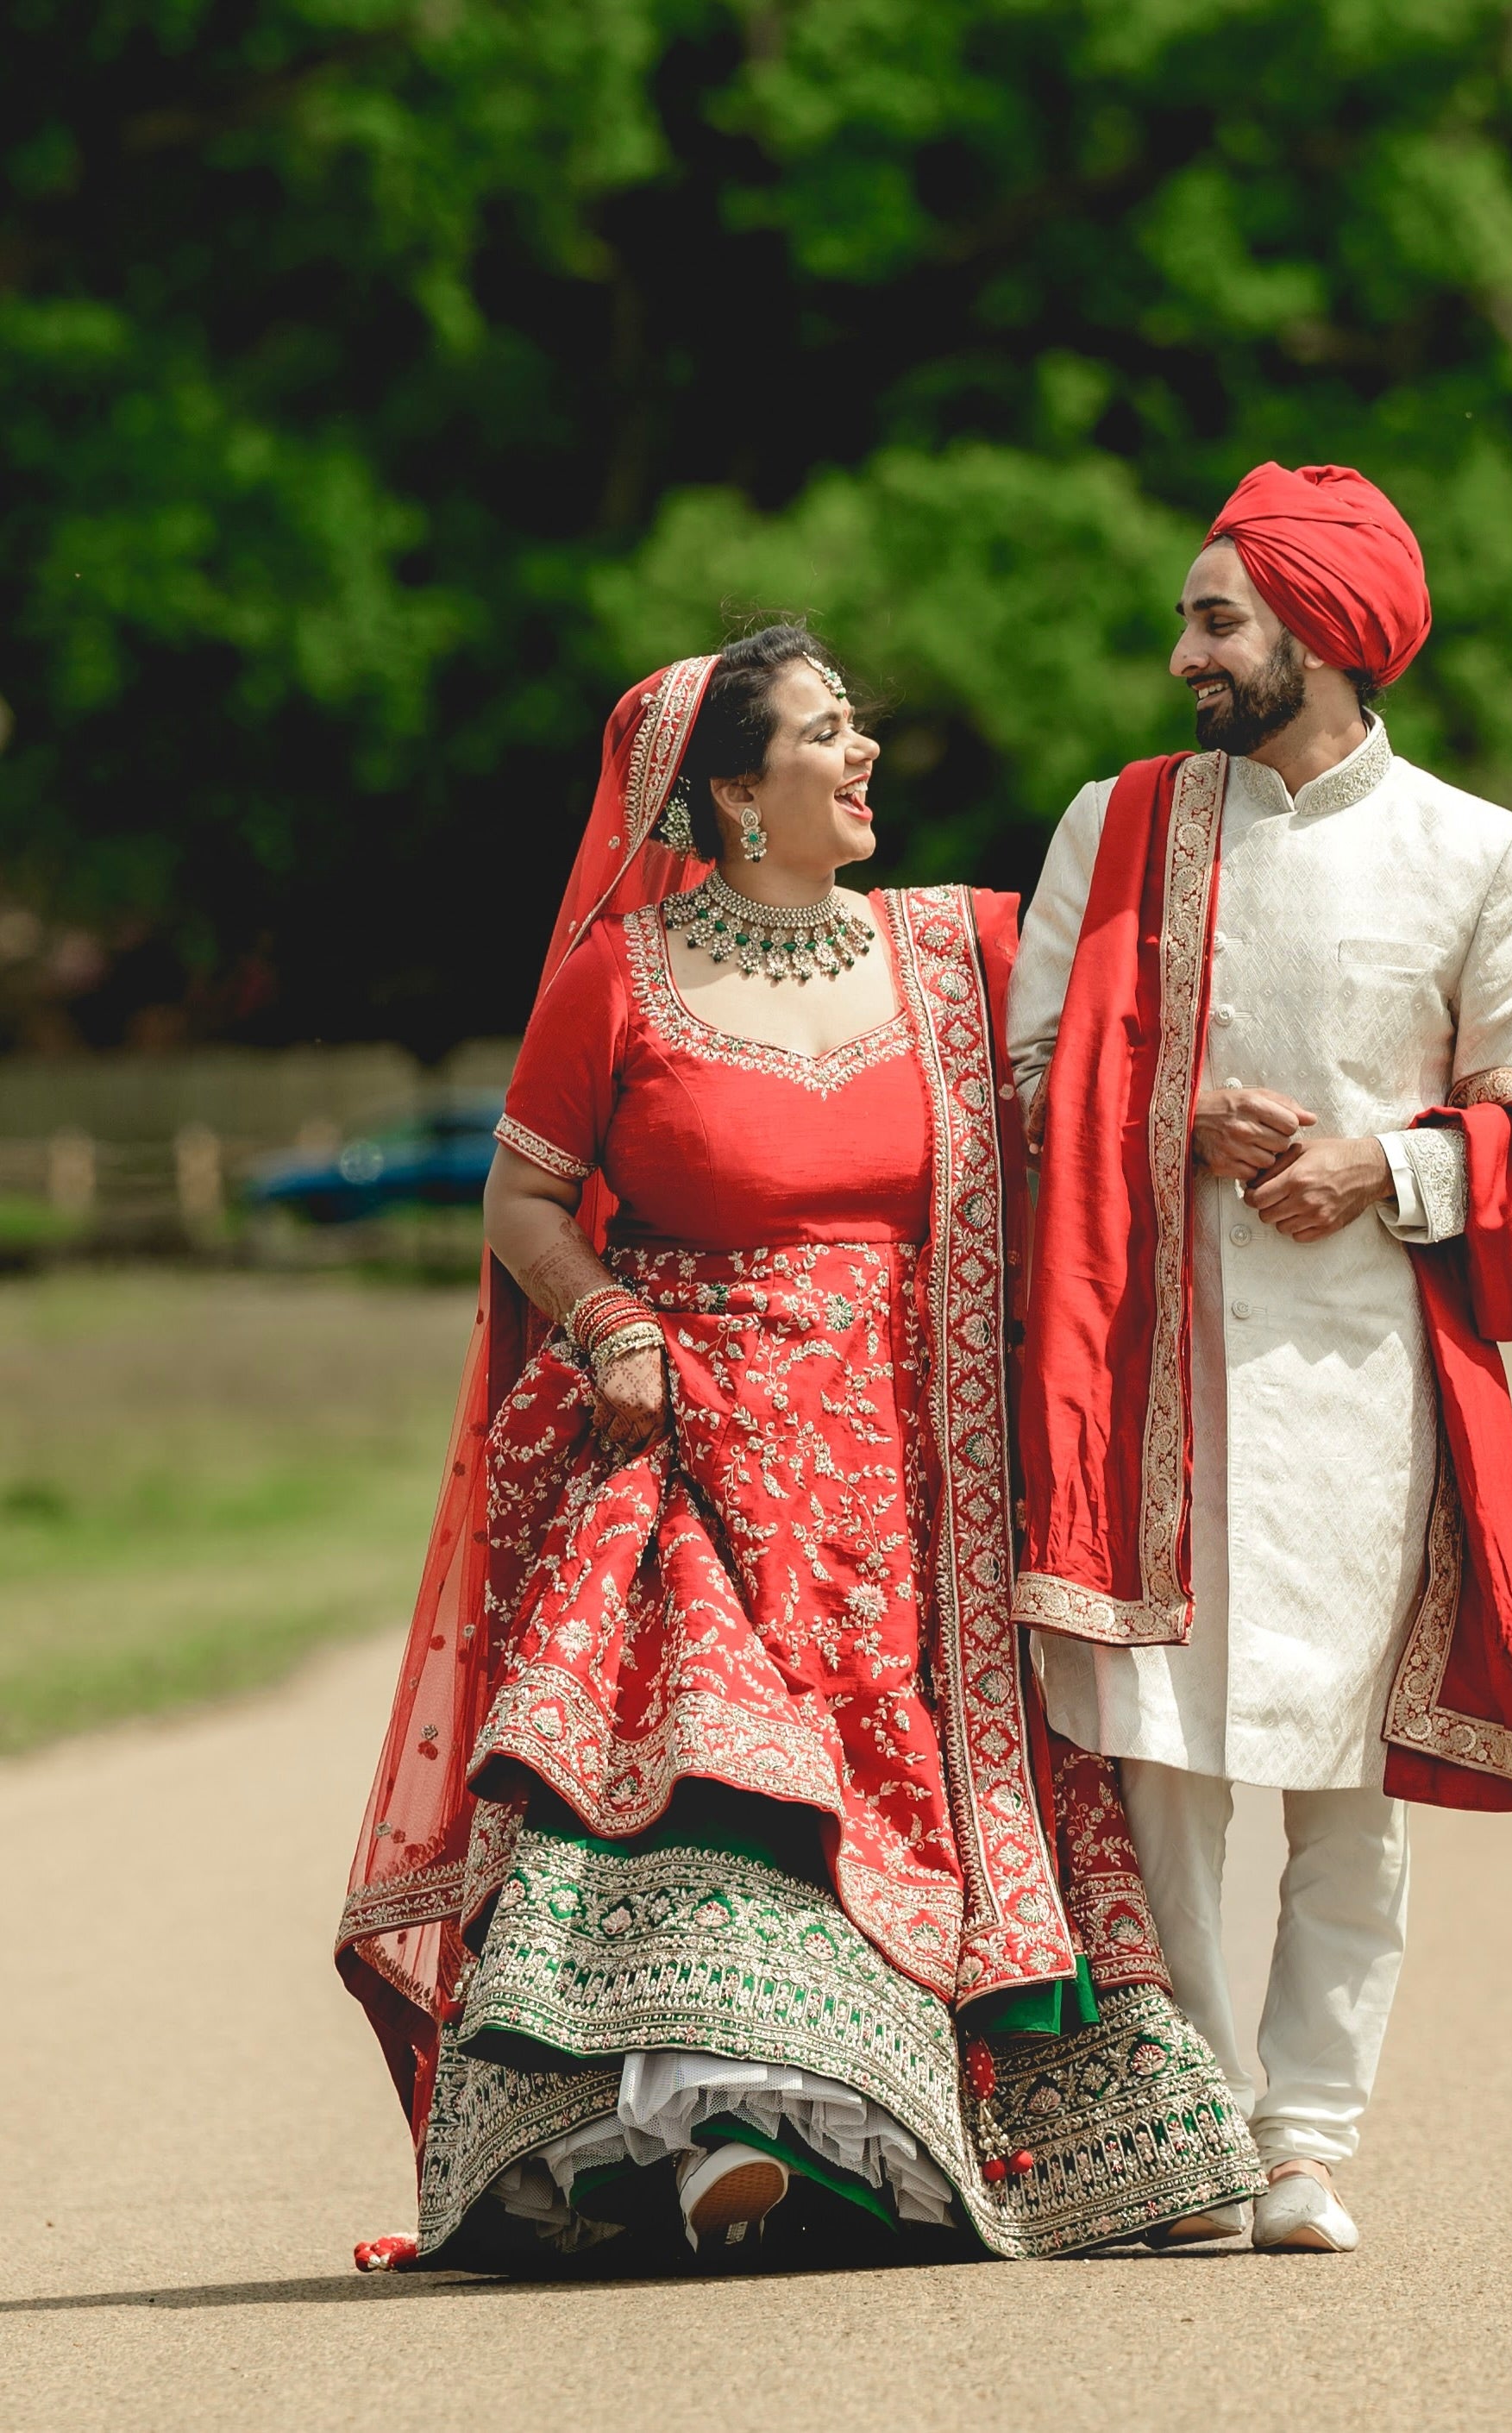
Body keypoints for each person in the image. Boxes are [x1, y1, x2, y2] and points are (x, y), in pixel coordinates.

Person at [336, 626, 1262, 2273]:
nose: (866, 756)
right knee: (718, 1768)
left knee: (947, 1803)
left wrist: (1199, 1117)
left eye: (858, 727)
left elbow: (1106, 1053)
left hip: (931, 1482)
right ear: (738, 795)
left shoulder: (963, 951)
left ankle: (1055, 2151)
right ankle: (719, 2118)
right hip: (698, 1450)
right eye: (829, 733)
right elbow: (524, 1200)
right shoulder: (616, 980)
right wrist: (609, 1322)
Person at [1007, 463, 1512, 2255]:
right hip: (1156, 1379)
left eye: (1216, 618)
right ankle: (1203, 2132)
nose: (1183, 649)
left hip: (1369, 1388)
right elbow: (1027, 1086)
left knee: (1348, 1783)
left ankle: (1307, 2141)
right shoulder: (1111, 828)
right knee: (1170, 1770)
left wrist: (1391, 1166)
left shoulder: (1477, 854)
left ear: (1324, 636)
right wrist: (1172, 1116)